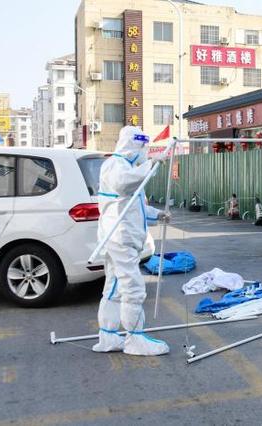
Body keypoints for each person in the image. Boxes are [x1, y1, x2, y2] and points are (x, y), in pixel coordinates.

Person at [92, 126, 171, 356]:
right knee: (133, 288)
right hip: (120, 238)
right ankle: (135, 339)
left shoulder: (125, 167)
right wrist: (151, 165)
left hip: (119, 237)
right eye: (143, 147)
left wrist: (157, 214)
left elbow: (133, 204)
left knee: (114, 287)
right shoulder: (116, 165)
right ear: (134, 145)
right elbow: (123, 184)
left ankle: (108, 336)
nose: (145, 152)